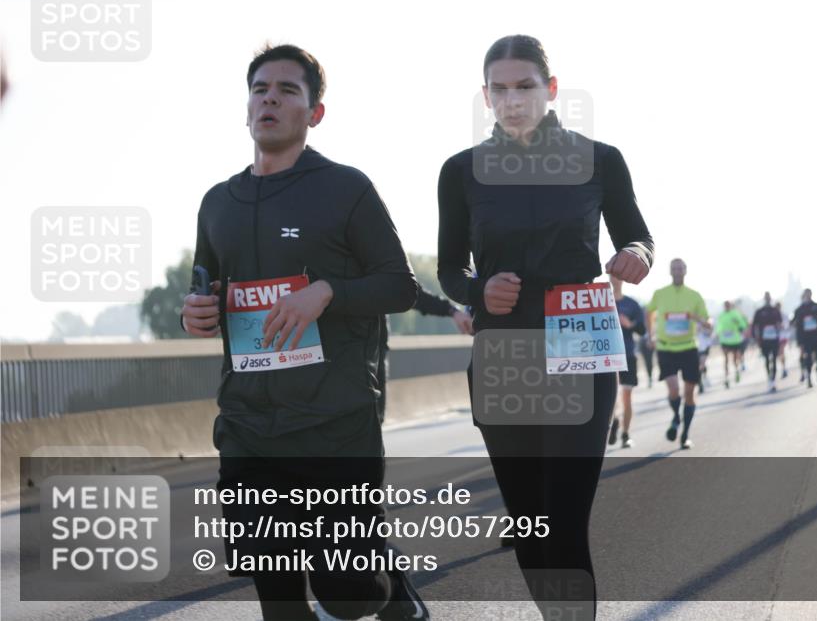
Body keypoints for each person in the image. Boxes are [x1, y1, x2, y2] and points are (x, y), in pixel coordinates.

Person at [181, 44, 427, 621]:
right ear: (246, 109)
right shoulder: (217, 203)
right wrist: (192, 314)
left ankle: (391, 590)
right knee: (279, 598)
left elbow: (400, 286)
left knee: (346, 598)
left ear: (314, 113)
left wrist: (328, 292)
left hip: (335, 426)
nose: (270, 97)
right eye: (260, 88)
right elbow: (205, 293)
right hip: (249, 428)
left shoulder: (346, 189)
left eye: (288, 90)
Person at [437, 35, 653, 620]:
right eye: (500, 89)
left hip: (580, 348)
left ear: (551, 90)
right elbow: (449, 271)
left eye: (525, 86)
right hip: (502, 354)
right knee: (531, 528)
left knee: (563, 520)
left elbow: (637, 234)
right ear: (486, 96)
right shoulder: (461, 172)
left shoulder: (600, 159)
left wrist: (636, 255)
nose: (513, 100)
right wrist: (479, 289)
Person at [376, 284, 474, 424]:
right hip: (363, 360)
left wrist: (453, 311)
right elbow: (410, 292)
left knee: (371, 426)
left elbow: (410, 292)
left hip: (370, 358)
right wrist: (453, 311)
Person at [646, 258, 709, 449]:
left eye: (680, 268)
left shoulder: (695, 295)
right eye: (674, 268)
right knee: (673, 390)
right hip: (666, 348)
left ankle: (685, 434)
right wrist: (651, 335)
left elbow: (708, 324)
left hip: (688, 347)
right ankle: (675, 417)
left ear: (686, 270)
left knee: (690, 393)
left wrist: (695, 317)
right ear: (669, 271)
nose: (677, 271)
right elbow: (649, 312)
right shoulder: (660, 293)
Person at [608, 275, 645, 448]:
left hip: (628, 355)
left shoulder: (632, 304)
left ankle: (625, 433)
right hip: (608, 357)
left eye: (617, 277)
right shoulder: (602, 301)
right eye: (611, 277)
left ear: (622, 280)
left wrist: (630, 324)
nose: (614, 280)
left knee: (627, 396)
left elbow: (642, 329)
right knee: (611, 396)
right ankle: (614, 420)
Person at [790, 288, 817, 388]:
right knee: (807, 357)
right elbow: (793, 322)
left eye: (809, 294)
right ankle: (809, 379)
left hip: (816, 335)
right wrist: (795, 324)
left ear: (811, 295)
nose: (807, 296)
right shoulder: (799, 310)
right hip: (805, 337)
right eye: (805, 294)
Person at [751, 292, 783, 393]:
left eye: (769, 297)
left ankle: (773, 380)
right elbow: (754, 326)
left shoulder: (775, 311)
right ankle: (769, 378)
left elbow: (779, 323)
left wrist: (779, 331)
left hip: (774, 339)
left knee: (774, 359)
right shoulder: (759, 312)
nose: (768, 299)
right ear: (764, 299)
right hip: (764, 340)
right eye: (766, 298)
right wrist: (756, 338)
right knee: (766, 360)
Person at [715, 301, 748, 388]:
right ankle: (726, 378)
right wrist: (717, 333)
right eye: (725, 305)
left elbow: (742, 324)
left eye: (728, 305)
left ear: (730, 306)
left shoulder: (735, 314)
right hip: (725, 340)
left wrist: (739, 325)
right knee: (725, 359)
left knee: (734, 359)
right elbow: (718, 326)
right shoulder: (721, 315)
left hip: (735, 340)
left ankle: (737, 371)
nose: (727, 307)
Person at [695, 320, 714, 394]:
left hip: (705, 346)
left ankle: (703, 379)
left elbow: (710, 332)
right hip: (695, 347)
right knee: (697, 365)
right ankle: (700, 382)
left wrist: (703, 328)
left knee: (701, 365)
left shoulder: (707, 320)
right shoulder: (692, 319)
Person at [775, 300, 791, 379]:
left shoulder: (784, 315)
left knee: (781, 351)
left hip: (783, 336)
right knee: (779, 354)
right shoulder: (773, 315)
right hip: (775, 337)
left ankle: (784, 369)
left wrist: (780, 325)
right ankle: (783, 367)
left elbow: (786, 325)